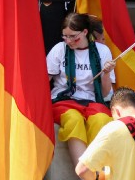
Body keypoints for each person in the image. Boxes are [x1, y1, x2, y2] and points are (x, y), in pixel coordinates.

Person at [46, 12, 115, 168]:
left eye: (73, 37)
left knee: (103, 120)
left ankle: (98, 169)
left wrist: (106, 73)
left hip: (92, 101)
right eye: (65, 36)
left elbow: (104, 93)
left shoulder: (102, 51)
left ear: (85, 32)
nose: (69, 41)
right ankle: (86, 174)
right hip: (63, 100)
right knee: (73, 119)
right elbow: (44, 81)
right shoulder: (59, 49)